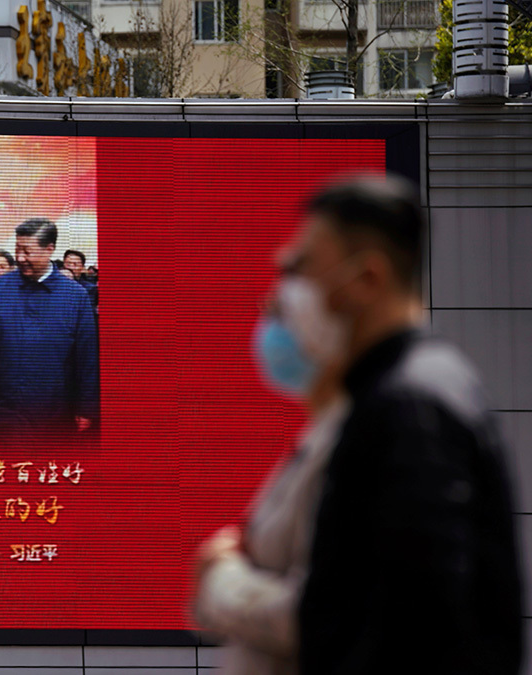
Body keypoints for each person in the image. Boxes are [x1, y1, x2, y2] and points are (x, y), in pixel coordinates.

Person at [204, 176, 523, 675]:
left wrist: (227, 588)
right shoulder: (384, 398)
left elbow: (396, 627)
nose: (282, 292)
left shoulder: (410, 408)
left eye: (302, 267)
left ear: (368, 279)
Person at [192, 277, 350, 675]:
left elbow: (325, 612)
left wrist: (222, 579)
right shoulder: (316, 436)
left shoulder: (358, 443)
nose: (266, 335)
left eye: (278, 317)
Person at [0, 219, 99, 444]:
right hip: (8, 401)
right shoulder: (3, 286)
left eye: (27, 251)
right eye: (17, 250)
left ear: (49, 249)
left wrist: (86, 407)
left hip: (55, 404)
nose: (20, 258)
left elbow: (87, 357)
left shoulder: (74, 296)